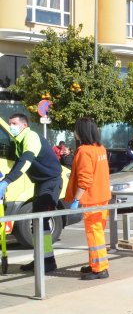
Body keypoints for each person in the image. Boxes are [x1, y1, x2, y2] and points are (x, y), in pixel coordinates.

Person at [0, 113, 64, 273]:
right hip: (41, 183)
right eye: (9, 123)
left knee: (41, 223)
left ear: (24, 125)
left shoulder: (31, 137)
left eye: (14, 123)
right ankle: (42, 259)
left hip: (51, 182)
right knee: (37, 224)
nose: (11, 126)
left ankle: (48, 262)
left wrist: (7, 181)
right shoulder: (17, 141)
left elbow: (25, 161)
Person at [65, 117, 111, 280]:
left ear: (82, 132)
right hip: (102, 197)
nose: (74, 132)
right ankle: (95, 264)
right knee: (98, 233)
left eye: (76, 129)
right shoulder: (100, 148)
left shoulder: (84, 151)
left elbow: (85, 180)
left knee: (94, 233)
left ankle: (100, 268)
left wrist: (76, 200)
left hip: (91, 199)